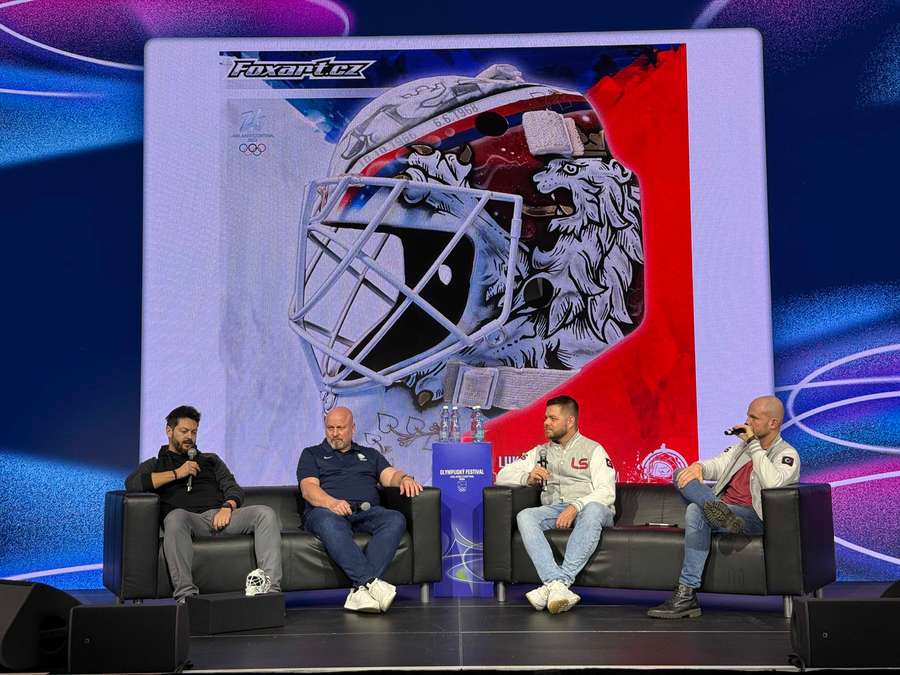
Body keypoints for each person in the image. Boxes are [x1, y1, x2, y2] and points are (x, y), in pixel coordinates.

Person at [647, 395, 800, 619]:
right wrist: (698, 467)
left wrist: (753, 445)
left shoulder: (787, 454)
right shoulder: (740, 450)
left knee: (695, 509)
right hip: (726, 511)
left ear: (773, 423)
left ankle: (686, 593)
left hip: (752, 517)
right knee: (681, 474)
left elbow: (772, 484)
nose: (747, 422)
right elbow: (717, 465)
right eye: (747, 415)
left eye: (754, 418)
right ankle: (716, 509)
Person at [125, 405, 282, 601]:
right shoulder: (156, 464)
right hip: (186, 521)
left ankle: (270, 593)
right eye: (184, 431)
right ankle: (186, 597)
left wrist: (227, 507)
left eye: (194, 432)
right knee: (175, 517)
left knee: (264, 513)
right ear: (169, 430)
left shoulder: (210, 460)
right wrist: (177, 473)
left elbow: (233, 488)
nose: (189, 437)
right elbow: (132, 484)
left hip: (219, 517)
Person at [495, 395, 616, 614]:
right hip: (556, 508)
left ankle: (560, 582)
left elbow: (606, 492)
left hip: (592, 510)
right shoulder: (540, 452)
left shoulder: (594, 449)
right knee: (525, 516)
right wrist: (527, 476)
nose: (546, 423)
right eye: (545, 418)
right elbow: (502, 475)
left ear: (570, 421)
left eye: (553, 418)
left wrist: (576, 506)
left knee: (594, 509)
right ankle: (555, 583)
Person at [297, 406, 423, 613]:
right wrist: (331, 503)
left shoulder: (369, 454)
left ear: (353, 428)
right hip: (325, 512)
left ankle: (360, 591)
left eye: (340, 427)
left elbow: (390, 476)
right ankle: (371, 583)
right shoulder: (312, 454)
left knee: (395, 518)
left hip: (365, 512)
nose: (335, 433)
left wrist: (405, 478)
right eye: (330, 428)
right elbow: (309, 489)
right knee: (329, 521)